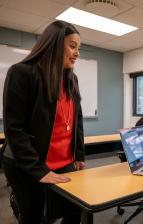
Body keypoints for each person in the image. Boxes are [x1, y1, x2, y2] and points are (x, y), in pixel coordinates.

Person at [1, 20, 85, 224]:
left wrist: (79, 154)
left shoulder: (71, 80)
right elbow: (15, 129)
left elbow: (77, 120)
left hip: (64, 161)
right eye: (72, 46)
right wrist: (38, 171)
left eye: (79, 48)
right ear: (54, 44)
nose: (77, 53)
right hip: (27, 163)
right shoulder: (22, 73)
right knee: (35, 216)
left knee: (75, 209)